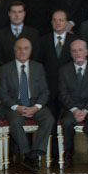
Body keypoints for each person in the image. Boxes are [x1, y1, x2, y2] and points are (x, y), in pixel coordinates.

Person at [0, 38, 54, 174]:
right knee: (15, 121)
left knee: (48, 119)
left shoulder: (38, 67)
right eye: (19, 48)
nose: (22, 51)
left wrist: (36, 107)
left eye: (26, 48)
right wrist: (17, 107)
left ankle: (34, 153)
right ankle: (27, 154)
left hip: (34, 104)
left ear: (30, 50)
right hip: (14, 106)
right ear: (14, 50)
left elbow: (45, 91)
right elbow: (3, 94)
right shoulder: (6, 69)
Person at [34, 10, 80, 158]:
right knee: (52, 121)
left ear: (66, 23)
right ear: (51, 22)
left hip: (70, 91)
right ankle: (54, 153)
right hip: (49, 89)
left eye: (61, 20)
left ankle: (69, 152)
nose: (58, 23)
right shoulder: (43, 40)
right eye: (55, 20)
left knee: (68, 121)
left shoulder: (75, 40)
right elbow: (38, 66)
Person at [58, 39, 88, 169]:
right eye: (74, 51)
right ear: (71, 53)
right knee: (67, 122)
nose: (77, 53)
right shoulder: (64, 70)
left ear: (86, 52)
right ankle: (69, 152)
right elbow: (63, 94)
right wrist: (75, 110)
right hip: (71, 107)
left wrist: (85, 110)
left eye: (80, 50)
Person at [0, 1, 39, 69]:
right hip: (7, 73)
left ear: (24, 14)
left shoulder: (33, 33)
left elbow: (36, 56)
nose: (17, 15)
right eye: (14, 12)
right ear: (9, 13)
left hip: (28, 72)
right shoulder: (0, 34)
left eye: (20, 12)